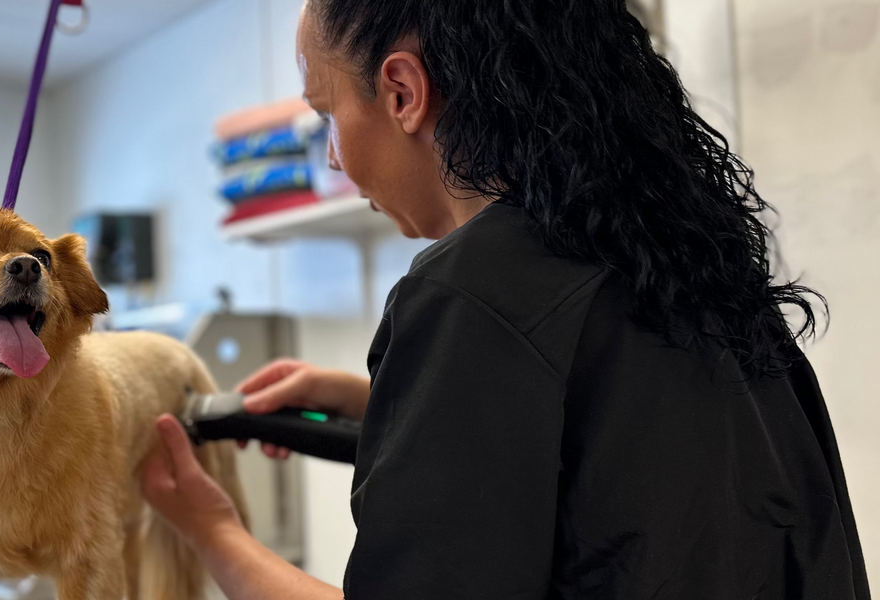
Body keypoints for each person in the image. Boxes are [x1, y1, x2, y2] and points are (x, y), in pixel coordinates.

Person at [139, 0, 871, 598]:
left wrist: (213, 531)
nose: (333, 154)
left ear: (402, 91)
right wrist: (381, 406)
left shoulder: (466, 291)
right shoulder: (698, 276)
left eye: (327, 112)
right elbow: (625, 487)